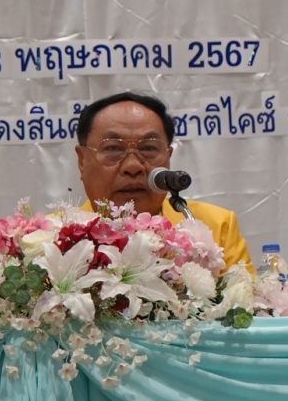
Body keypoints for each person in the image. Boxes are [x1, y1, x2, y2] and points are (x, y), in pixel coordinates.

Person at [72, 92, 252, 270]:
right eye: (113, 148)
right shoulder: (57, 236)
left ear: (168, 157)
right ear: (82, 161)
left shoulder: (215, 228)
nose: (133, 167)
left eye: (148, 148)